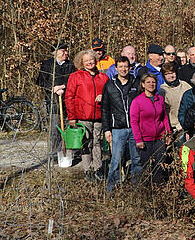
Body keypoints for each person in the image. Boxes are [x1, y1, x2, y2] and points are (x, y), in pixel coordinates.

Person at [65, 50, 109, 181]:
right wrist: (72, 117)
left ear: (96, 60)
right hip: (82, 116)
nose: (90, 62)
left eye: (91, 60)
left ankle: (98, 168)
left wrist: (104, 96)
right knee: (86, 143)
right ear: (81, 63)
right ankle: (87, 169)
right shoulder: (76, 76)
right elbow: (69, 97)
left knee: (97, 142)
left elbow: (110, 94)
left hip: (99, 116)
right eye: (86, 61)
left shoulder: (103, 77)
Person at [101, 56, 142, 191]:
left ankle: (137, 187)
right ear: (116, 68)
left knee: (136, 159)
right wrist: (107, 129)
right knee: (116, 160)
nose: (124, 69)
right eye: (121, 67)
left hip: (135, 128)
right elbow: (105, 109)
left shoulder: (136, 84)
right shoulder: (110, 85)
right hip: (118, 128)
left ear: (130, 68)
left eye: (126, 66)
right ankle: (112, 187)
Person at [130, 73, 172, 184]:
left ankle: (159, 189)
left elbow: (164, 118)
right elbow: (134, 122)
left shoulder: (160, 99)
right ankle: (146, 189)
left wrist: (168, 134)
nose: (151, 84)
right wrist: (138, 140)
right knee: (147, 166)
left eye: (153, 82)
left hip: (160, 138)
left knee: (160, 165)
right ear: (143, 84)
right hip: (145, 139)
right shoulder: (137, 101)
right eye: (148, 82)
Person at [36, 43, 75, 154]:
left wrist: (63, 87)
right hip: (53, 101)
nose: (66, 53)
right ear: (55, 52)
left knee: (68, 128)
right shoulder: (47, 65)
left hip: (67, 101)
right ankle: (54, 153)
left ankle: (68, 152)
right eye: (63, 51)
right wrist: (53, 88)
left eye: (66, 50)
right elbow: (41, 81)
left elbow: (73, 80)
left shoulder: (70, 65)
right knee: (55, 129)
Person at [159, 61, 191, 133]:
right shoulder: (162, 90)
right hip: (173, 127)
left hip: (188, 123)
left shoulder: (185, 85)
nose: (171, 76)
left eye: (172, 73)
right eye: (167, 74)